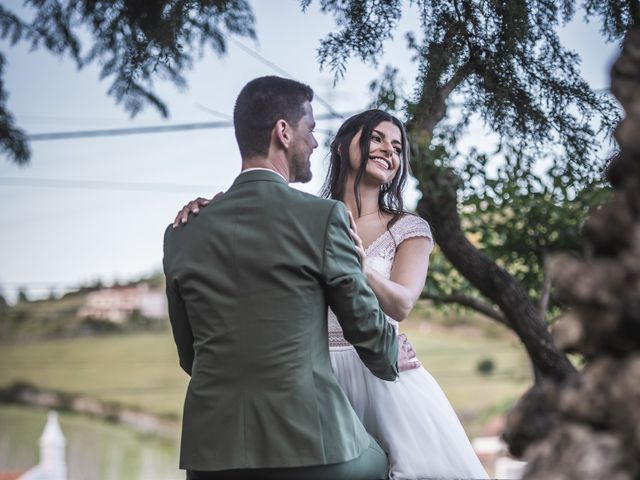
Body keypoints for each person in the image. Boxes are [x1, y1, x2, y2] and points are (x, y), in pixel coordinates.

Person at [176, 109, 489, 480]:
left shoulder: (408, 228)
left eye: (397, 147)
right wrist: (209, 211)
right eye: (376, 138)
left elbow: (402, 302)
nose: (388, 150)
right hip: (311, 374)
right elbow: (253, 237)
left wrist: (356, 264)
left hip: (381, 375)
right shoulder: (307, 216)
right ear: (341, 146)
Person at [163, 77, 401, 480]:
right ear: (283, 132)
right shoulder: (323, 217)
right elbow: (373, 343)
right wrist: (393, 349)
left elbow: (190, 356)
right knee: (386, 461)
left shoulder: (182, 231)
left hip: (212, 458)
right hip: (314, 449)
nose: (315, 143)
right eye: (311, 130)